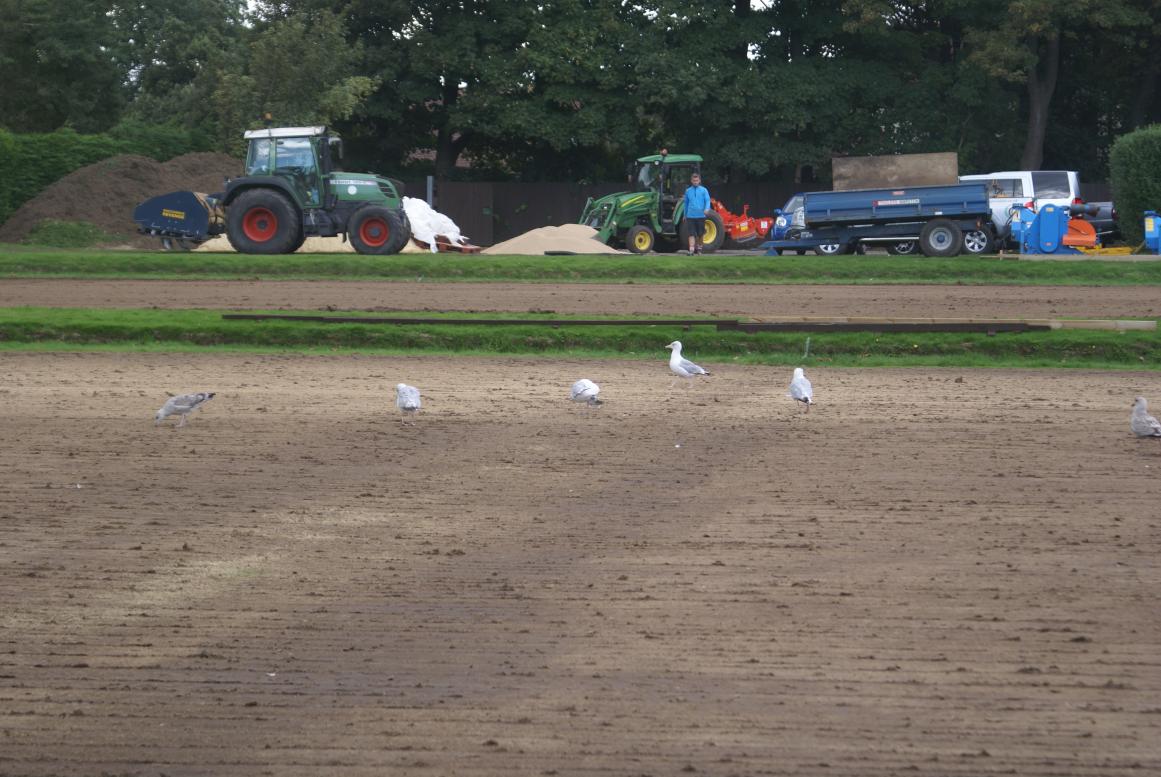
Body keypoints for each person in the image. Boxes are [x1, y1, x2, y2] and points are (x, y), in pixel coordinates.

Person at [683, 171, 711, 255]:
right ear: (691, 181)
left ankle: (699, 249)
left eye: (697, 180)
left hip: (701, 215)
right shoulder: (688, 191)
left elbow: (707, 200)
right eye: (694, 180)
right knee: (691, 233)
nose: (695, 182)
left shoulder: (704, 190)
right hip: (690, 216)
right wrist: (685, 215)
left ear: (699, 181)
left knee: (700, 234)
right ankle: (691, 250)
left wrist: (707, 209)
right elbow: (686, 204)